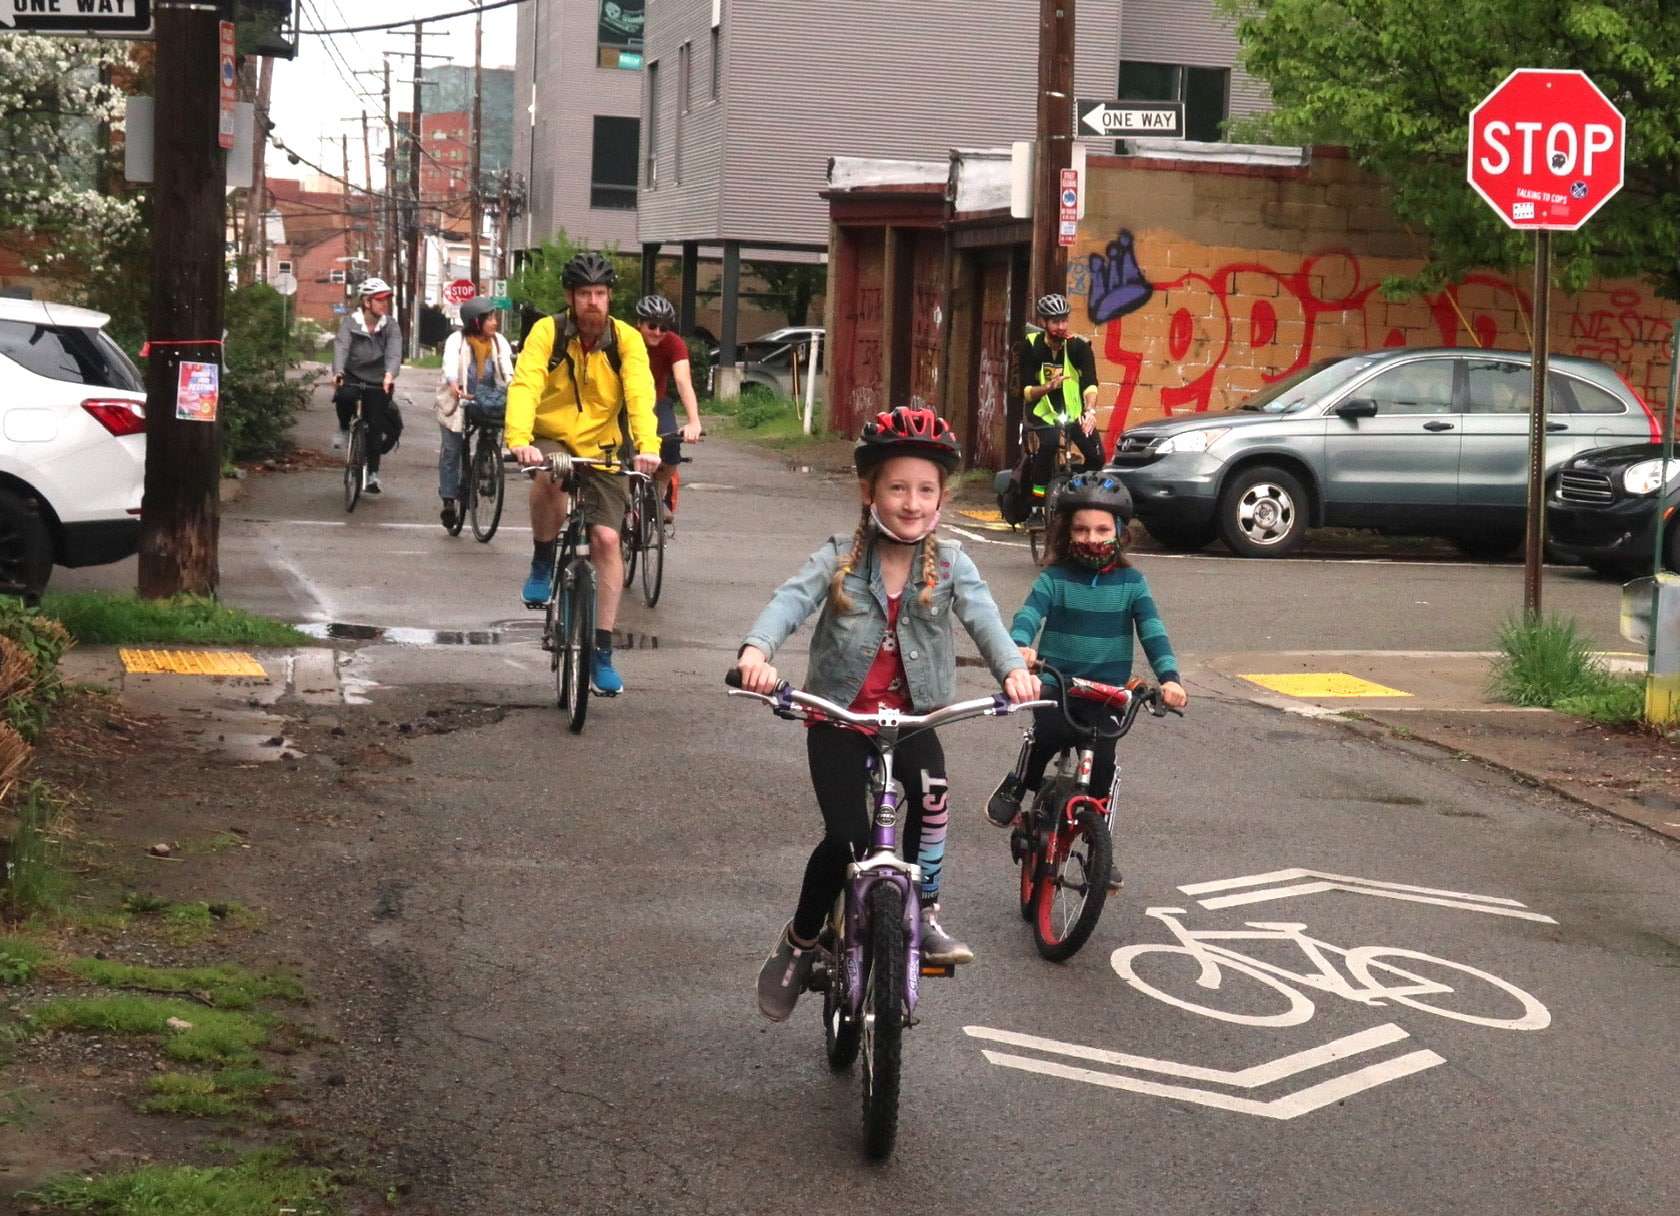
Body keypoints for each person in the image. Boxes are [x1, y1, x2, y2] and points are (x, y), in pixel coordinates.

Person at [735, 406, 1040, 1020]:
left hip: (914, 720)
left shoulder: (954, 565)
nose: (911, 501)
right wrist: (756, 652)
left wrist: (1013, 670)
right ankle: (798, 943)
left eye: (925, 489)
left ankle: (922, 913)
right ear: (869, 491)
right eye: (897, 487)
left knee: (931, 797)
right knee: (847, 838)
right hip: (840, 720)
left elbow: (984, 620)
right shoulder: (840, 559)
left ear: (941, 497)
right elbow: (789, 602)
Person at [985, 471, 1189, 828]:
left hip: (1107, 695)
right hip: (1059, 685)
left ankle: (1100, 847)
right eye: (1080, 530)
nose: (1090, 538)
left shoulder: (1132, 584)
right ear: (1066, 533)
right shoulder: (1054, 578)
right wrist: (1020, 647)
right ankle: (1018, 784)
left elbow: (1153, 632)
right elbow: (1030, 614)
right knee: (1045, 737)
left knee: (1104, 766)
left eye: (1101, 530)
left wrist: (1170, 680)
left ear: (1120, 532)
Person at [505, 251, 660, 696]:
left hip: (605, 445)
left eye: (600, 293)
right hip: (551, 437)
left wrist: (647, 447)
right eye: (584, 294)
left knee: (607, 540)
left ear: (610, 297)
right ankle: (541, 559)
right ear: (570, 298)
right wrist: (520, 439)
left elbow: (639, 393)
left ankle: (602, 651)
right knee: (549, 475)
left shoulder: (626, 340)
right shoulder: (547, 333)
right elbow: (526, 383)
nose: (593, 301)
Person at [1015, 292, 1105, 509]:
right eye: (1056, 322)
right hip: (1043, 411)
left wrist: (1090, 412)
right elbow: (1025, 390)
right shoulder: (1031, 345)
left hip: (1074, 413)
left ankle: (1075, 487)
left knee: (1096, 457)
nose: (1062, 326)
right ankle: (1038, 503)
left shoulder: (1079, 347)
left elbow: (1091, 384)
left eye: (1064, 320)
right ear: (1043, 322)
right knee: (1049, 445)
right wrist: (1048, 387)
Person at [437, 297, 514, 530]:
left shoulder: (499, 342)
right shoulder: (456, 340)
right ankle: (449, 501)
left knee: (491, 433)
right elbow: (449, 365)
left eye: (494, 317)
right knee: (452, 449)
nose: (494, 322)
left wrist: (513, 387)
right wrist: (454, 385)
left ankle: (486, 464)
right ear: (475, 322)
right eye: (489, 318)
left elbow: (507, 370)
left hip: (487, 400)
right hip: (459, 400)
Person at [631, 294, 703, 526]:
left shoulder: (673, 343)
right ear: (639, 324)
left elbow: (683, 380)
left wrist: (694, 422)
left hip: (656, 401)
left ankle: (657, 495)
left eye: (664, 327)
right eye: (652, 326)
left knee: (672, 443)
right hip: (624, 402)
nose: (658, 332)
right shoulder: (626, 339)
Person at [332, 277, 403, 495]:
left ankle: (372, 474)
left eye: (387, 300)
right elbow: (341, 347)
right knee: (344, 396)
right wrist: (338, 372)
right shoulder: (350, 323)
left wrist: (390, 375)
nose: (384, 304)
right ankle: (344, 427)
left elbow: (394, 351)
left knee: (375, 425)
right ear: (367, 302)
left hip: (379, 380)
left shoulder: (390, 325)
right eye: (380, 300)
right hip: (352, 374)